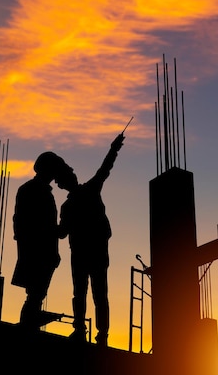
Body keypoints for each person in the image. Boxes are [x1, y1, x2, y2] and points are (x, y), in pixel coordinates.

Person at [57, 133, 125, 346]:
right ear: (63, 184)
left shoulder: (83, 194)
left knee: (94, 294)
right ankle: (89, 332)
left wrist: (114, 149)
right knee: (87, 293)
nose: (72, 177)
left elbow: (105, 169)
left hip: (90, 252)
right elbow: (62, 232)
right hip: (85, 252)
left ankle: (97, 334)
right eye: (67, 176)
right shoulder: (70, 204)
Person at [11, 151, 68, 332]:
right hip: (39, 253)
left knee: (35, 295)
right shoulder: (38, 192)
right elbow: (41, 226)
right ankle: (28, 327)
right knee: (36, 295)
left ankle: (29, 324)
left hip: (34, 251)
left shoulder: (29, 189)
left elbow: (22, 224)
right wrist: (61, 230)